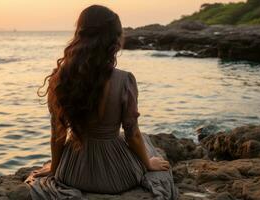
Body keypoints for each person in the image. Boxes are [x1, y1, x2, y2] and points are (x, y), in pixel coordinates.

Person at [25, 5, 178, 200]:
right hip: (119, 177)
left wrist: (55, 168)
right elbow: (132, 134)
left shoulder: (61, 79)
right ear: (114, 40)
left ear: (79, 36)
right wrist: (148, 164)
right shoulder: (124, 80)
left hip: (72, 174)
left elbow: (58, 135)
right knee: (146, 142)